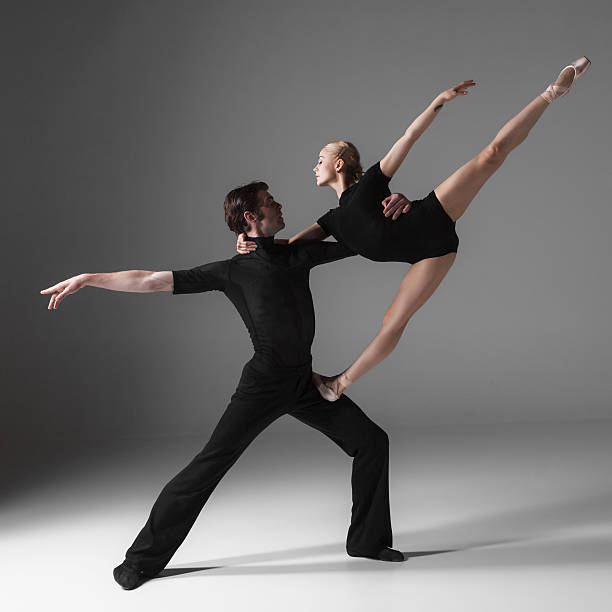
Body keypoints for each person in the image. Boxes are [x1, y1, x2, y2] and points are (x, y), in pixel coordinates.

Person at [40, 182, 409, 590]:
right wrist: (90, 278)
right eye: (270, 202)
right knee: (208, 466)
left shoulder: (296, 254)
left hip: (304, 382)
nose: (280, 204)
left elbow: (365, 241)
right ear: (251, 217)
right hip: (264, 384)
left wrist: (397, 206)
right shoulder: (232, 271)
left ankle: (367, 542)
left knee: (371, 441)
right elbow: (149, 280)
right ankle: (140, 561)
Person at [237, 56, 591, 401]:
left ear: (339, 163)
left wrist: (438, 101)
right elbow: (288, 246)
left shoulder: (371, 183)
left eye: (319, 160)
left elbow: (409, 136)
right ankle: (337, 384)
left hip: (430, 217)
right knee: (393, 322)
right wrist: (247, 240)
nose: (314, 168)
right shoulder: (332, 221)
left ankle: (551, 93)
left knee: (492, 154)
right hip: (434, 255)